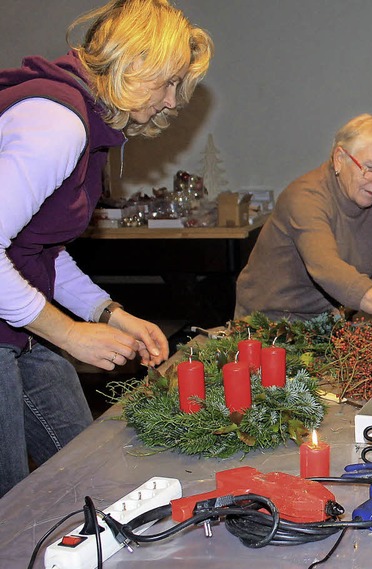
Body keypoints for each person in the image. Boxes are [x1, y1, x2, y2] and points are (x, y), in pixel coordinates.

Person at [0, 0, 213, 497]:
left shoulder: (85, 124)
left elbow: (40, 248)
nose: (172, 102)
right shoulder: (57, 125)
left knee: (85, 471)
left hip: (16, 323)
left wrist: (108, 312)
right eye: (168, 83)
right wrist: (72, 335)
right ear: (134, 62)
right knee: (10, 505)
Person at [235, 113, 372, 337]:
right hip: (269, 325)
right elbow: (327, 269)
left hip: (328, 322)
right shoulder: (305, 197)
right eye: (370, 167)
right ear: (339, 158)